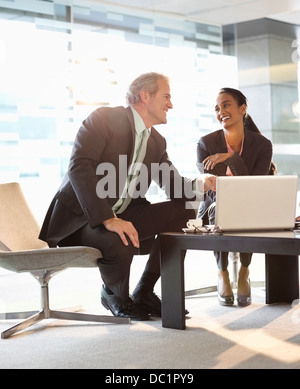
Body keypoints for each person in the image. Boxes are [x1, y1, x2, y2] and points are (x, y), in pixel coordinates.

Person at [39, 72, 216, 321]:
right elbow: (80, 167)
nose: (171, 104)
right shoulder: (104, 119)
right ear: (145, 96)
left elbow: (174, 187)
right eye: (166, 96)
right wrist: (108, 218)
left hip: (125, 212)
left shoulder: (156, 141)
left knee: (184, 213)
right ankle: (114, 294)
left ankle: (143, 291)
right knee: (117, 236)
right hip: (80, 219)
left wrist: (201, 182)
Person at [197, 87, 274, 307]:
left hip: (250, 204)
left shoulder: (262, 145)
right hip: (215, 206)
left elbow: (254, 186)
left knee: (247, 206)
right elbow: (210, 188)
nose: (221, 111)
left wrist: (230, 158)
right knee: (221, 205)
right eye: (217, 108)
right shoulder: (205, 144)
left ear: (243, 108)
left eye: (226, 105)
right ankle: (222, 272)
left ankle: (244, 271)